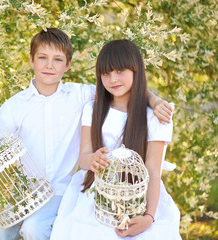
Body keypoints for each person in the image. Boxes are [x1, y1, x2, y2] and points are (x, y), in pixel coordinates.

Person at [0, 29, 173, 240]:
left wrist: (154, 101)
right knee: (0, 233)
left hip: (59, 191)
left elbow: (123, 88)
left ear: (68, 64)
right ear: (31, 60)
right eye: (42, 58)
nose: (49, 65)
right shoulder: (14, 106)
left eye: (57, 59)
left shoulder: (79, 95)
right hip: (23, 192)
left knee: (33, 229)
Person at [50, 39, 181, 240]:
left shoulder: (155, 117)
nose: (113, 79)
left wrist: (148, 217)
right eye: (106, 73)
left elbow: (153, 171)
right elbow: (83, 158)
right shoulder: (93, 109)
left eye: (120, 71)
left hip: (141, 195)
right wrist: (93, 159)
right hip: (97, 192)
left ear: (136, 70)